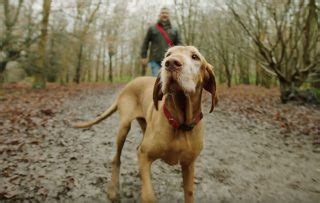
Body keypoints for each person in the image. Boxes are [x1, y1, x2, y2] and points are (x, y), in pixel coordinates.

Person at [141, 7, 181, 76]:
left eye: (166, 13)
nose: (164, 15)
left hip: (170, 60)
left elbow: (179, 44)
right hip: (155, 59)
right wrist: (143, 56)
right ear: (160, 15)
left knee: (169, 81)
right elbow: (145, 43)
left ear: (169, 15)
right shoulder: (152, 28)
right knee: (157, 80)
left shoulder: (175, 29)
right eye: (163, 13)